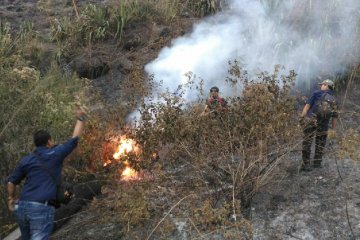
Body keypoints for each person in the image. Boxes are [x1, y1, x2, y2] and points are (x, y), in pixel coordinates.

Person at [7, 107, 86, 240]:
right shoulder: (55, 153)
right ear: (49, 141)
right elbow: (74, 139)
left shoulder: (27, 160)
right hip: (41, 208)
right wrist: (81, 118)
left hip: (22, 207)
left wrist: (10, 199)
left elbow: (11, 181)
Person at [299, 79, 338, 171]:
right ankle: (317, 163)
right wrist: (333, 129)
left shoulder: (316, 93)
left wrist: (301, 118)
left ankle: (306, 164)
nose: (321, 86)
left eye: (322, 85)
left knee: (307, 142)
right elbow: (335, 116)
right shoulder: (334, 99)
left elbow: (307, 106)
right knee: (320, 143)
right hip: (323, 124)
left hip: (311, 121)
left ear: (326, 86)